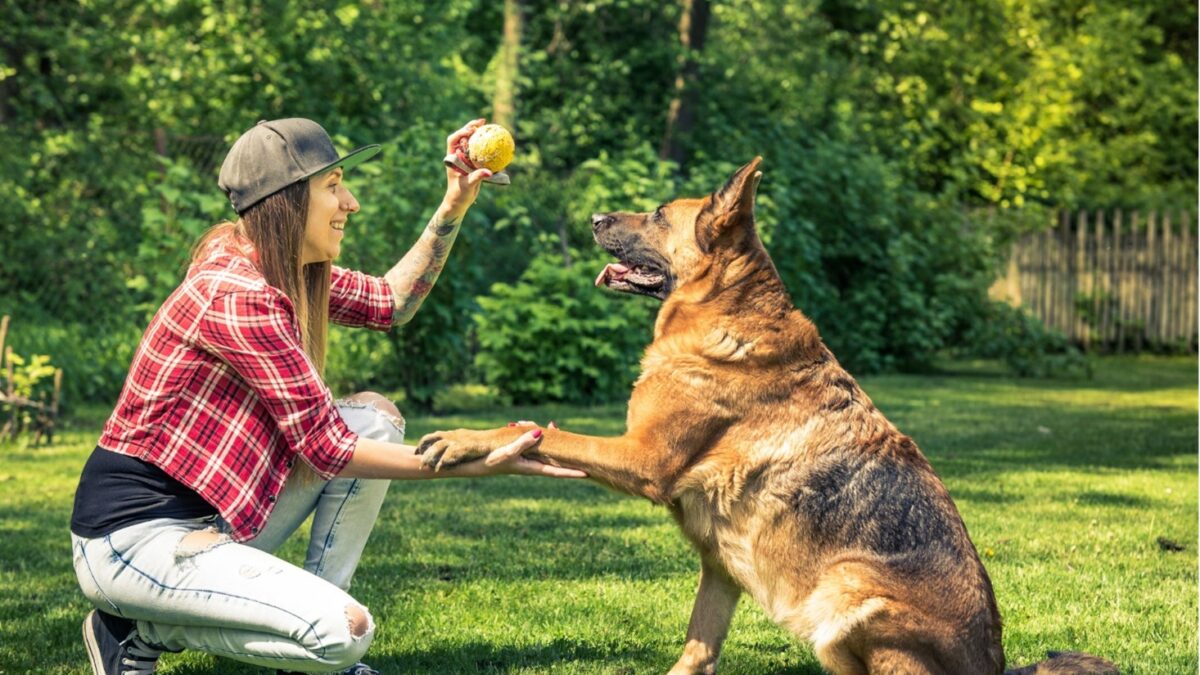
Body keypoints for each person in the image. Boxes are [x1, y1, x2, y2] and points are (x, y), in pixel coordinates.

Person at [70, 118, 585, 675]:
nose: (352, 202)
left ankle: (316, 623)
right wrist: (482, 458)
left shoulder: (282, 266)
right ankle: (131, 629)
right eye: (334, 185)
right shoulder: (238, 294)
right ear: (286, 201)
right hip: (135, 538)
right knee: (345, 632)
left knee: (374, 417)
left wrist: (454, 202)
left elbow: (390, 301)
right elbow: (328, 449)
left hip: (214, 516)